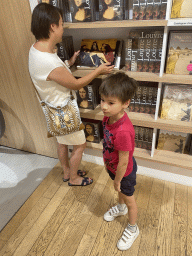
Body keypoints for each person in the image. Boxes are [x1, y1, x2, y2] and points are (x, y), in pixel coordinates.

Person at [29, 3, 114, 186]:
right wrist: (98, 71)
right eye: (61, 23)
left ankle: (68, 172)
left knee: (62, 142)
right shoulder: (46, 59)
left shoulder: (36, 49)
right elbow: (75, 84)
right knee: (80, 145)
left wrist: (68, 62)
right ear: (52, 26)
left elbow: (52, 75)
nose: (63, 27)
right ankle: (74, 178)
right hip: (64, 111)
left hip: (52, 109)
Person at [99, 72, 139, 250]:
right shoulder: (108, 118)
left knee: (129, 199)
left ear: (126, 103)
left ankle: (133, 227)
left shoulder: (123, 131)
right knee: (120, 194)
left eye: (110, 102)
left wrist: (117, 180)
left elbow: (123, 162)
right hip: (114, 168)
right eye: (102, 100)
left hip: (123, 172)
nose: (104, 107)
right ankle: (120, 207)